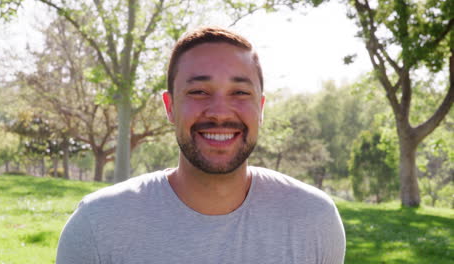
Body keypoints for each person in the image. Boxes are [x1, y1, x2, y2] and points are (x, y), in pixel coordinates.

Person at [56, 27, 346, 264]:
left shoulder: (314, 220)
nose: (220, 112)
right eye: (198, 91)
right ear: (170, 107)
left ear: (260, 108)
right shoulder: (98, 225)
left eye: (240, 92)